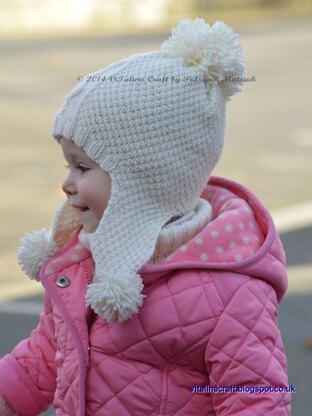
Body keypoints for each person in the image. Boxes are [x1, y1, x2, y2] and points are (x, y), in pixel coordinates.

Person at [0, 18, 291, 416]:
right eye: (68, 165)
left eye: (83, 167)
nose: (67, 183)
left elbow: (255, 398)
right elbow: (45, 355)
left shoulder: (228, 293)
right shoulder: (83, 259)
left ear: (143, 181)